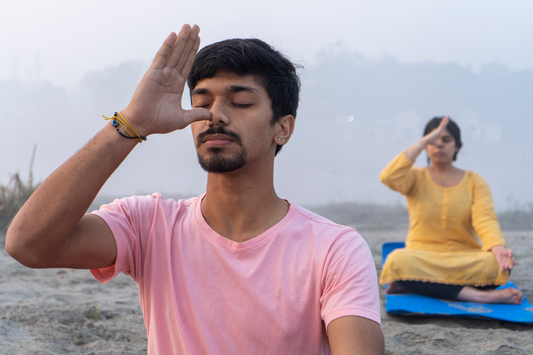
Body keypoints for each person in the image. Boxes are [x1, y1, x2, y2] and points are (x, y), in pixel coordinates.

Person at [6, 25, 384, 354]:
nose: (215, 114)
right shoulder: (150, 225)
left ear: (282, 128)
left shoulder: (335, 249)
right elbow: (28, 244)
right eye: (201, 102)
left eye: (241, 102)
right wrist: (131, 122)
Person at [379, 115, 523, 304]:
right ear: (426, 146)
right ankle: (478, 295)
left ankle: (413, 284)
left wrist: (499, 249)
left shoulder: (475, 181)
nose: (439, 145)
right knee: (397, 260)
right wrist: (423, 141)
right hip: (423, 256)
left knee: (495, 266)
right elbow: (388, 177)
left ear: (457, 146)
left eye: (446, 140)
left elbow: (485, 219)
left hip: (463, 257)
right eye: (433, 141)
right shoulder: (415, 177)